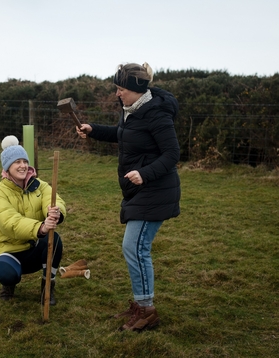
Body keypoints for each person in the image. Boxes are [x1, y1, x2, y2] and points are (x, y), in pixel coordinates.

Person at [76, 62, 181, 331]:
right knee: (133, 248)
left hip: (155, 190)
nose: (117, 94)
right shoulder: (132, 111)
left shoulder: (156, 114)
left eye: (121, 89)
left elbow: (172, 154)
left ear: (135, 89)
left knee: (135, 247)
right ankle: (140, 304)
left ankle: (146, 310)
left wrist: (145, 173)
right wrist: (93, 129)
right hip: (139, 190)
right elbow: (122, 135)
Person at [0, 135, 66, 305]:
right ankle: (8, 285)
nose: (23, 165)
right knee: (7, 272)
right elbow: (9, 222)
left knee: (55, 241)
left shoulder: (40, 185)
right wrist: (40, 228)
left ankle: (47, 287)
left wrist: (54, 211)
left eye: (24, 161)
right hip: (8, 248)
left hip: (34, 248)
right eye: (17, 162)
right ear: (7, 167)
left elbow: (54, 199)